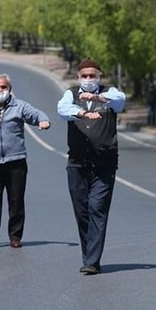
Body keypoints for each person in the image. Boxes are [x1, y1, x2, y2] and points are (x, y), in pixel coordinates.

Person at [57, 58, 126, 275]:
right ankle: (89, 255)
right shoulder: (71, 94)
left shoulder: (109, 94)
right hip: (77, 163)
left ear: (99, 76)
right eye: (84, 76)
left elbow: (120, 100)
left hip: (104, 164)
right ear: (78, 78)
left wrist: (97, 97)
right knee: (82, 211)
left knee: (97, 208)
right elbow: (62, 109)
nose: (88, 79)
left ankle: (92, 261)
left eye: (92, 75)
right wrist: (82, 112)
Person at [0, 74, 51, 250]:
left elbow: (36, 114)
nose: (0, 90)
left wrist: (43, 120)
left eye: (3, 87)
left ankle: (15, 236)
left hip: (16, 162)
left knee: (16, 201)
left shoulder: (19, 106)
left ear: (9, 89)